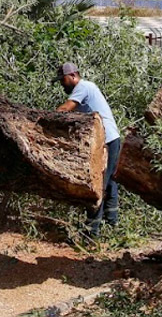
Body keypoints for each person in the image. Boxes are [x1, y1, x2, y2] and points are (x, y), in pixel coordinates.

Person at [56, 62, 121, 237]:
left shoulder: (83, 86)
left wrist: (48, 119)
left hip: (107, 141)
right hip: (111, 139)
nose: (62, 84)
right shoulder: (87, 87)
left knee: (97, 185)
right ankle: (113, 225)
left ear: (73, 76)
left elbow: (66, 108)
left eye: (63, 80)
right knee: (109, 182)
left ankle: (91, 232)